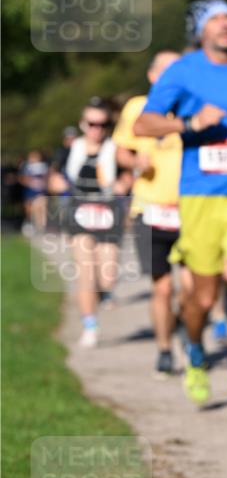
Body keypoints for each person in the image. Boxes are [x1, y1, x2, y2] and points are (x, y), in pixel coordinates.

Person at [134, 0, 227, 421]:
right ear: (200, 30)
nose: (226, 24)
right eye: (216, 18)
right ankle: (195, 351)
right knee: (202, 296)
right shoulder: (182, 71)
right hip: (201, 196)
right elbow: (144, 124)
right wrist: (190, 124)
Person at [113, 51, 193, 377]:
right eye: (167, 70)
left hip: (190, 209)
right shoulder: (137, 108)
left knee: (193, 289)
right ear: (152, 76)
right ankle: (164, 349)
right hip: (149, 210)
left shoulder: (193, 107)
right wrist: (135, 162)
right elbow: (121, 152)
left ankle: (187, 327)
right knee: (162, 288)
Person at [63, 97, 125, 347]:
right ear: (83, 124)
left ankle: (102, 293)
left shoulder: (116, 149)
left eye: (102, 125)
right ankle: (89, 325)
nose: (97, 130)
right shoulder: (71, 149)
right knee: (86, 273)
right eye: (92, 124)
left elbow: (129, 173)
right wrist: (55, 183)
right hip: (79, 214)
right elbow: (56, 176)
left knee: (107, 276)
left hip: (108, 215)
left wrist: (124, 184)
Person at [18, 150, 48, 235]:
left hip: (40, 192)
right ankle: (30, 223)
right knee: (29, 209)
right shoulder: (26, 167)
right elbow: (21, 178)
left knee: (42, 208)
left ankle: (42, 227)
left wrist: (43, 183)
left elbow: (47, 178)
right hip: (30, 192)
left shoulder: (43, 167)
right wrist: (31, 182)